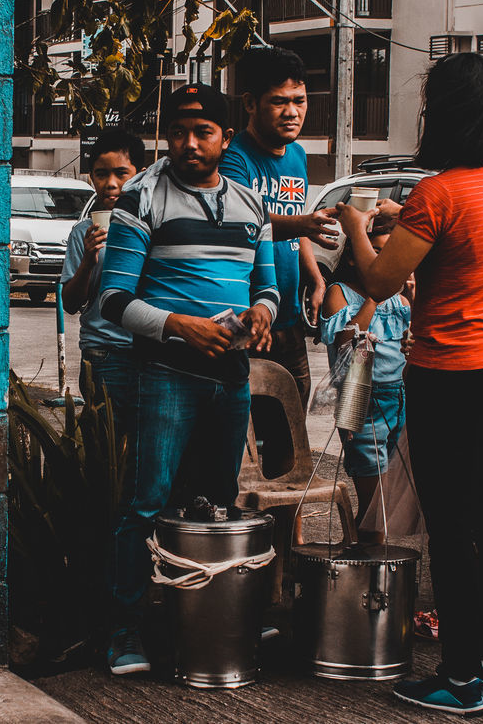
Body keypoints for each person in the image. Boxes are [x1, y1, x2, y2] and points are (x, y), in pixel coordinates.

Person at [335, 53, 483, 715]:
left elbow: (380, 281)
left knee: (449, 524)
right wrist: (411, 217)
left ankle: (457, 677)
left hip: (451, 372)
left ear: (441, 114)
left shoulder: (438, 193)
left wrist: (356, 227)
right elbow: (467, 242)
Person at [98, 83, 277, 675]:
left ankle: (208, 619)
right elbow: (114, 302)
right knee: (148, 502)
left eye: (203, 132)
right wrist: (181, 327)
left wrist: (264, 314)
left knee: (216, 503)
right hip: (167, 374)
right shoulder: (141, 200)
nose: (188, 143)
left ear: (227, 138)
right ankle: (126, 631)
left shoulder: (252, 207)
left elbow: (267, 286)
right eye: (177, 131)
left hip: (231, 377)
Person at [220, 47, 337, 408]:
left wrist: (316, 278)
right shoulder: (235, 157)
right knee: (246, 430)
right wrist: (303, 223)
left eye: (299, 101)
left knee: (293, 426)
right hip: (244, 318)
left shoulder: (298, 155)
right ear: (251, 103)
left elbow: (296, 227)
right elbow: (244, 221)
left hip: (288, 320)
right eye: (279, 102)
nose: (292, 112)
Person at [319, 220, 410, 540]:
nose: (383, 264)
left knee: (386, 503)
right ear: (353, 256)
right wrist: (375, 294)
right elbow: (348, 345)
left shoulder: (400, 301)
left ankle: (365, 570)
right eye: (375, 254)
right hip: (358, 398)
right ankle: (362, 576)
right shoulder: (338, 294)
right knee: (374, 508)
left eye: (389, 256)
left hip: (397, 396)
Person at [60, 128, 142, 413]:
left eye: (122, 174)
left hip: (150, 353)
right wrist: (88, 261)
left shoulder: (156, 228)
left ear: (140, 176)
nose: (110, 184)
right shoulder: (82, 233)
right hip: (103, 353)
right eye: (101, 174)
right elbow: (70, 304)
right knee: (104, 443)